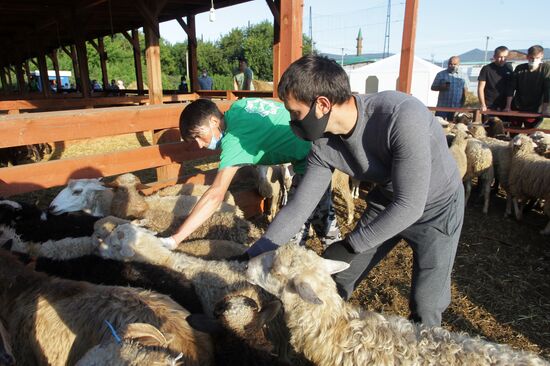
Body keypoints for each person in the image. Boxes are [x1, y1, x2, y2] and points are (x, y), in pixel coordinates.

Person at [246, 55, 464, 328]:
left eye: (295, 113)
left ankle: (424, 348)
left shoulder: (401, 116)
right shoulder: (323, 145)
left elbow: (410, 205)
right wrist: (258, 250)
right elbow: (300, 207)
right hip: (387, 201)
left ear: (322, 104)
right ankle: (325, 342)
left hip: (436, 208)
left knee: (426, 303)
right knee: (336, 280)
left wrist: (350, 245)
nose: (292, 122)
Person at [159, 97, 341, 251]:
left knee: (290, 236)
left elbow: (215, 195)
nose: (199, 144)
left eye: (199, 135)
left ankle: (328, 271)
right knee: (321, 215)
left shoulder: (235, 140)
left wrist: (175, 239)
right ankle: (340, 263)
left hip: (314, 156)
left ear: (214, 122)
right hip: (316, 148)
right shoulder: (239, 106)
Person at [504, 45, 550, 128]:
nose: (534, 60)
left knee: (531, 133)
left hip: (536, 108)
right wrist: (508, 106)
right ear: (527, 57)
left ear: (541, 56)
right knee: (513, 131)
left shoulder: (546, 68)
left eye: (537, 58)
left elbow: (547, 89)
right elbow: (511, 87)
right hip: (517, 106)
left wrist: (545, 108)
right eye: (531, 58)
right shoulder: (520, 68)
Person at [431, 56, 469, 121]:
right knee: (438, 124)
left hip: (456, 107)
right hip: (442, 107)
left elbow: (465, 91)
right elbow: (433, 87)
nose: (452, 66)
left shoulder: (464, 76)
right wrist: (441, 87)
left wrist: (462, 105)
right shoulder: (440, 74)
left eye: (454, 64)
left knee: (453, 127)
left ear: (459, 64)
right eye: (450, 64)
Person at [477, 46, 513, 115]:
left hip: (504, 106)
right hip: (489, 105)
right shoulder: (486, 69)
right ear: (494, 56)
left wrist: (508, 106)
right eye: (500, 57)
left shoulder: (509, 68)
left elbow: (510, 88)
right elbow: (480, 88)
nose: (502, 59)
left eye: (505, 57)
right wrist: (483, 104)